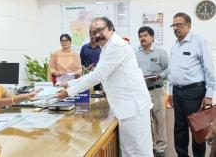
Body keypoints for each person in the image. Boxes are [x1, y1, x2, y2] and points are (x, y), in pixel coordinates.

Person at [57, 17, 153, 157]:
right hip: (127, 107)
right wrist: (70, 83)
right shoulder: (108, 46)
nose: (96, 35)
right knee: (130, 151)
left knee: (138, 151)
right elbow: (97, 73)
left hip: (133, 107)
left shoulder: (116, 45)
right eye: (93, 32)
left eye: (100, 30)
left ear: (111, 28)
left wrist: (69, 92)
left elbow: (98, 75)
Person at [168, 12, 215, 157]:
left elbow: (209, 69)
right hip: (177, 92)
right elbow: (172, 71)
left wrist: (209, 95)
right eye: (174, 25)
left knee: (198, 128)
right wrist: (170, 92)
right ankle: (182, 155)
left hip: (194, 92)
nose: (176, 28)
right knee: (179, 129)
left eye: (179, 24)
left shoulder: (198, 41)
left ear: (188, 26)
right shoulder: (174, 46)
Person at [135, 26, 169, 157]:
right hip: (141, 92)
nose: (142, 38)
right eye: (140, 36)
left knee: (159, 119)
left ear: (152, 37)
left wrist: (160, 75)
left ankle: (161, 147)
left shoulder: (161, 52)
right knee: (145, 120)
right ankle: (150, 145)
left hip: (156, 90)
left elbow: (168, 69)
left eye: (145, 35)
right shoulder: (135, 53)